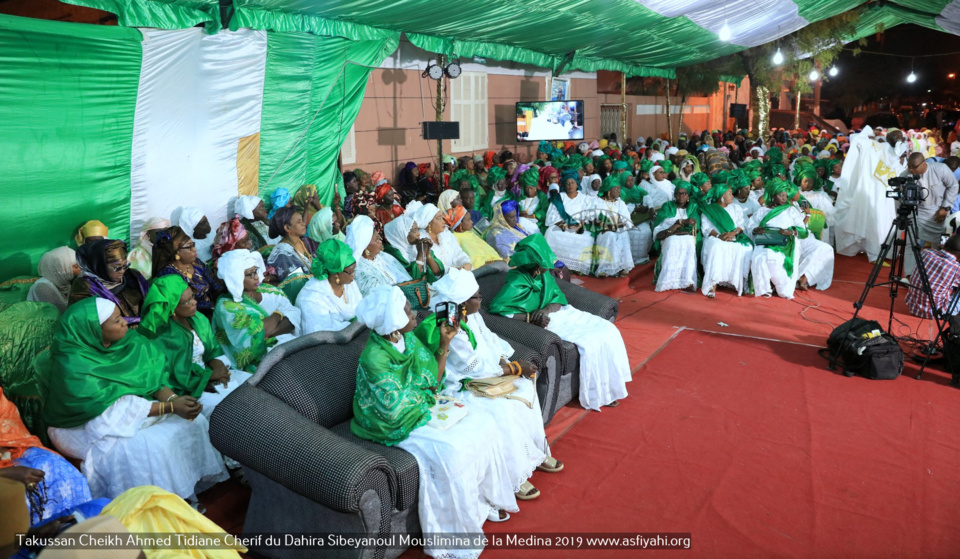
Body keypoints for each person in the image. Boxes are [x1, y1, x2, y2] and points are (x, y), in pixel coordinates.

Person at [350, 286, 519, 558]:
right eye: (406, 310)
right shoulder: (375, 357)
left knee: (483, 423)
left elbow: (433, 381)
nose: (414, 313)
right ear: (394, 320)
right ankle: (452, 534)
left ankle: (479, 504)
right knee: (451, 450)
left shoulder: (408, 341)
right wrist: (428, 397)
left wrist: (445, 344)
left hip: (418, 408)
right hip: (389, 423)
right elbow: (394, 410)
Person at [41, 298, 228, 500]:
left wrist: (174, 400)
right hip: (84, 425)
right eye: (116, 321)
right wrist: (170, 407)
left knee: (193, 422)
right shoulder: (74, 364)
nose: (125, 323)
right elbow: (105, 413)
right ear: (93, 330)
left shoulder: (131, 342)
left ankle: (185, 493)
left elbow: (153, 381)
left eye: (121, 316)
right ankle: (156, 504)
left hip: (135, 407)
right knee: (146, 446)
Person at [416, 269, 563, 501]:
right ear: (462, 303)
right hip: (462, 386)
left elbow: (489, 338)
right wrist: (513, 369)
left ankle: (538, 452)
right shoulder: (447, 325)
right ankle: (515, 476)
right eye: (476, 297)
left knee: (525, 388)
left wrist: (505, 360)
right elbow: (473, 367)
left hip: (490, 372)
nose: (480, 299)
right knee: (502, 410)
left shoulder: (471, 314)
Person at [489, 235, 631, 411]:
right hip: (544, 323)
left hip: (558, 313)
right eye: (544, 264)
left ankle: (610, 387)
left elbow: (558, 299)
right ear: (534, 264)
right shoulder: (516, 280)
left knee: (608, 330)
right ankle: (598, 394)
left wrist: (546, 310)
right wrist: (530, 318)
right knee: (590, 343)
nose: (548, 267)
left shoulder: (544, 276)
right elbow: (500, 309)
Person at [139, 275, 251, 418]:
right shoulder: (161, 337)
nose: (194, 303)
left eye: (193, 297)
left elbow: (212, 352)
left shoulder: (198, 319)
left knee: (251, 384)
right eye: (187, 301)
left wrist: (218, 368)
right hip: (188, 390)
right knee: (231, 409)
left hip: (206, 376)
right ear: (172, 307)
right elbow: (172, 377)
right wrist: (207, 377)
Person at [0, 388, 105, 526]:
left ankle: (70, 530)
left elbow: (4, 419)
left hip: (9, 447)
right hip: (11, 537)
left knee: (54, 467)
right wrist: (5, 475)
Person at [213, 249, 299, 371]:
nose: (256, 277)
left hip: (289, 349)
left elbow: (295, 314)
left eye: (256, 271)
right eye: (250, 274)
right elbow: (261, 331)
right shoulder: (226, 306)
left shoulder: (270, 291)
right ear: (235, 278)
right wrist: (278, 314)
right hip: (262, 364)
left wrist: (269, 328)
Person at [750, 179, 834, 298]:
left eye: (785, 195)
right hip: (766, 240)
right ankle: (764, 288)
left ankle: (783, 285)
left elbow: (803, 231)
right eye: (781, 195)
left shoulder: (790, 210)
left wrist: (792, 231)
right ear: (773, 196)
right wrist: (755, 229)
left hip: (786, 242)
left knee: (775, 258)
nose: (784, 198)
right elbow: (751, 225)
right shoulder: (763, 211)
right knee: (760, 257)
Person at [833, 126, 900, 261]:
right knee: (873, 221)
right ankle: (873, 251)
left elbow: (857, 139)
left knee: (869, 220)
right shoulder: (888, 150)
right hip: (876, 192)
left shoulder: (878, 147)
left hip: (874, 191)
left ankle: (871, 250)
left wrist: (870, 134)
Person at [70, 239, 149, 325]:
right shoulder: (85, 287)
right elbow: (90, 323)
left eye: (125, 265)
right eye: (117, 267)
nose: (122, 271)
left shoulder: (133, 276)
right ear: (100, 267)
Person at [152, 226, 225, 317]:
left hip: (212, 310)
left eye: (193, 244)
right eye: (189, 247)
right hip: (191, 316)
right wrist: (214, 306)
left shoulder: (196, 263)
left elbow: (215, 284)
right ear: (177, 252)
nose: (194, 249)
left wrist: (223, 297)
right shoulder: (168, 275)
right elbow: (184, 304)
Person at [699, 184, 754, 298]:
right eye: (729, 193)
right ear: (721, 196)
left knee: (746, 247)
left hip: (734, 235)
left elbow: (742, 224)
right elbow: (706, 228)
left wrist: (733, 233)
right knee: (716, 247)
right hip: (716, 237)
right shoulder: (710, 209)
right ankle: (712, 285)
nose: (732, 195)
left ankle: (738, 284)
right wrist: (719, 235)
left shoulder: (736, 208)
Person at [296, 239, 362, 334]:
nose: (354, 275)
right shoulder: (311, 298)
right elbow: (320, 335)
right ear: (336, 274)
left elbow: (361, 309)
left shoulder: (349, 284)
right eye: (351, 272)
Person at [346, 216, 412, 297]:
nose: (380, 240)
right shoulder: (359, 268)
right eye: (376, 239)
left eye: (379, 236)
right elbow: (376, 295)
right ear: (365, 245)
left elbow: (407, 279)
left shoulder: (384, 257)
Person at [544, 172, 595, 274]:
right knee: (550, 233)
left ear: (577, 184)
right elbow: (552, 217)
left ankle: (578, 267)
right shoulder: (559, 198)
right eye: (567, 183)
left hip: (578, 227)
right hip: (562, 226)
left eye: (572, 182)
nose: (570, 185)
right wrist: (566, 225)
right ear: (564, 185)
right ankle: (552, 263)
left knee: (588, 239)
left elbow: (590, 216)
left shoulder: (585, 198)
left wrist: (580, 224)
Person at [652, 183, 699, 292]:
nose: (681, 196)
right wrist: (679, 223)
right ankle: (668, 280)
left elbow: (694, 225)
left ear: (688, 196)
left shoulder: (693, 206)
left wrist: (677, 226)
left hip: (686, 235)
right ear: (674, 195)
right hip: (669, 236)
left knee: (689, 243)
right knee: (672, 242)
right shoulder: (667, 206)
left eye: (684, 194)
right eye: (678, 194)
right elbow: (661, 224)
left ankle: (687, 280)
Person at [907, 152, 959, 247]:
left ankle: (941, 259)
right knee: (911, 243)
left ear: (924, 164)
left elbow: (953, 186)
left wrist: (945, 208)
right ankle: (912, 262)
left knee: (942, 243)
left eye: (914, 167)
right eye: (908, 166)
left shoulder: (941, 168)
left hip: (939, 211)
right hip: (918, 212)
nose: (910, 169)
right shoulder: (907, 174)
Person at [588, 176, 635, 276]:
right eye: (616, 188)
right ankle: (604, 268)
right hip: (601, 230)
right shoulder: (597, 201)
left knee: (623, 234)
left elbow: (627, 221)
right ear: (609, 189)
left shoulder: (620, 203)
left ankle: (621, 267)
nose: (619, 190)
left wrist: (614, 225)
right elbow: (592, 219)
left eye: (619, 188)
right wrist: (606, 225)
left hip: (616, 228)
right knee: (610, 235)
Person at [905, 235, 960, 318]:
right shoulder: (956, 268)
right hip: (936, 314)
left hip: (913, 307)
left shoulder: (926, 252)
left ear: (944, 244)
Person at [415, 203, 472, 271]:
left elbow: (458, 253)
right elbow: (427, 269)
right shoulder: (421, 240)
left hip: (457, 274)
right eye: (439, 218)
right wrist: (453, 271)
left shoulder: (447, 235)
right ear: (429, 222)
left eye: (442, 217)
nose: (443, 221)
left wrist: (465, 263)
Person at [266, 207, 316, 282]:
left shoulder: (306, 242)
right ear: (287, 228)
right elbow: (293, 283)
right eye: (299, 222)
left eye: (302, 220)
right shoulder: (282, 252)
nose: (304, 223)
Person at [27, 247, 80, 314]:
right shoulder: (43, 287)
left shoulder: (64, 281)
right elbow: (59, 312)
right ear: (61, 269)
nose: (80, 269)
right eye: (76, 267)